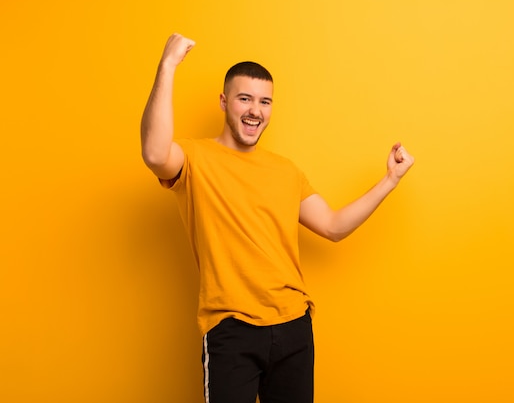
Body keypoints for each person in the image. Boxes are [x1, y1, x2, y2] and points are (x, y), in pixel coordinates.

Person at [140, 33, 414, 403]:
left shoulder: (286, 171)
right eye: (245, 99)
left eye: (265, 101)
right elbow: (155, 153)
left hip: (293, 327)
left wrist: (390, 181)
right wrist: (168, 65)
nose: (256, 110)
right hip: (231, 328)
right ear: (224, 102)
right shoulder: (195, 158)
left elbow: (333, 227)